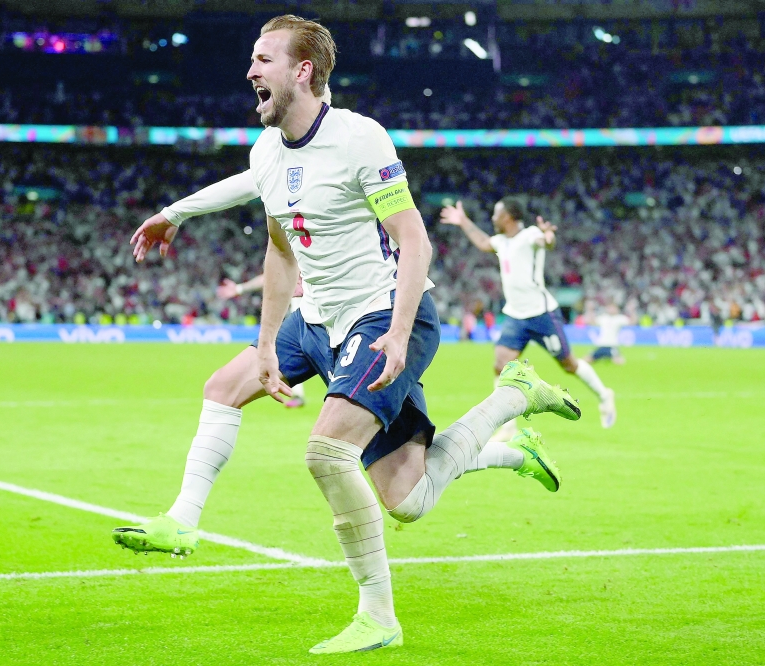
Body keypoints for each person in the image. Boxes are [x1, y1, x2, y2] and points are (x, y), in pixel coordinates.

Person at [114, 16, 581, 654]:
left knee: (326, 453)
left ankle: (378, 616)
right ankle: (182, 520)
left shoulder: (360, 138)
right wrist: (265, 343)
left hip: (382, 317)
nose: (250, 71)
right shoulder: (267, 153)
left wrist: (398, 333)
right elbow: (281, 254)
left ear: (302, 70)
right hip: (316, 322)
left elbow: (415, 241)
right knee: (398, 493)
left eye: (263, 59)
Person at [440, 198, 617, 429]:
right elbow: (483, 242)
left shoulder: (530, 235)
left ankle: (604, 395)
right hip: (516, 315)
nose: (493, 218)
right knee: (501, 365)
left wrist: (549, 236)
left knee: (569, 364)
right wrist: (463, 221)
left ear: (508, 217)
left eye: (496, 214)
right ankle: (507, 427)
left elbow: (546, 241)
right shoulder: (501, 241)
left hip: (542, 314)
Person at [217, 274, 308, 407]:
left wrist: (239, 288)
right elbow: (274, 275)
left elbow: (273, 276)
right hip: (305, 323)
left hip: (312, 323)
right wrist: (239, 289)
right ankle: (298, 395)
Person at [584, 301, 631, 366]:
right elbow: (591, 322)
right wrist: (590, 310)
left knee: (619, 362)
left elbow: (631, 322)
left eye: (613, 308)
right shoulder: (603, 318)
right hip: (601, 345)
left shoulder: (620, 318)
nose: (611, 309)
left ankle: (610, 358)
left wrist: (631, 310)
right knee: (587, 360)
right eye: (610, 308)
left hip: (612, 345)